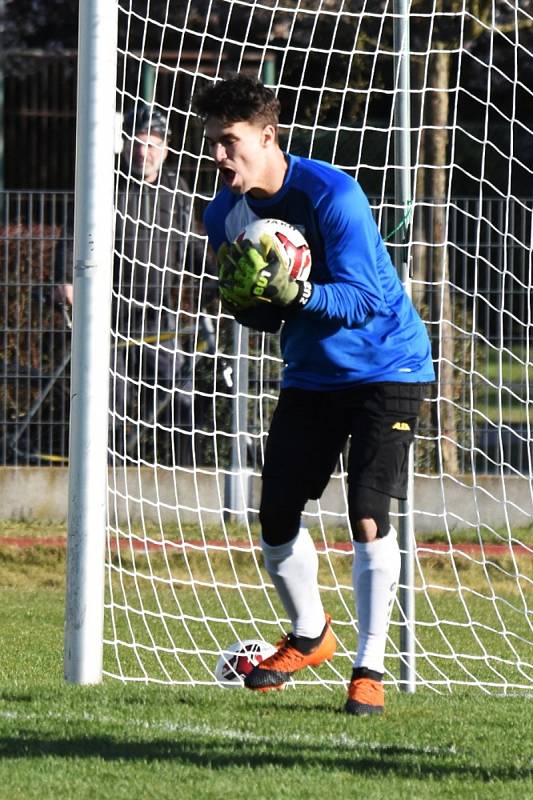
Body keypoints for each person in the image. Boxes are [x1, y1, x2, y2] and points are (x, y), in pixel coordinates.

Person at [194, 75, 435, 715]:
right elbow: (263, 316)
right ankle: (310, 635)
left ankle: (370, 668)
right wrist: (247, 301)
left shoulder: (333, 194)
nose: (218, 158)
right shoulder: (225, 213)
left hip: (389, 367)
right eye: (211, 143)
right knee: (274, 515)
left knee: (367, 511)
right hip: (311, 375)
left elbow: (364, 301)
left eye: (229, 143)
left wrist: (295, 294)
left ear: (267, 136)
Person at [57, 102, 216, 464]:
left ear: (166, 148)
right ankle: (105, 473)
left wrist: (215, 274)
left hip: (160, 318)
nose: (145, 151)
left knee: (179, 397)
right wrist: (65, 279)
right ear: (125, 145)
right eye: (137, 142)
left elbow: (188, 243)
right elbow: (73, 235)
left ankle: (181, 473)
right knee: (108, 401)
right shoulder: (105, 184)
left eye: (153, 143)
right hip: (110, 318)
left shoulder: (177, 188)